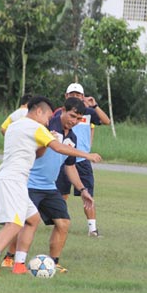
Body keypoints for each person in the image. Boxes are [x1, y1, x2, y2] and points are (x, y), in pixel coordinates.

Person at [0, 96, 102, 278]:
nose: (49, 120)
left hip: (12, 178)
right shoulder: (36, 128)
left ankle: (19, 265)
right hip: (14, 180)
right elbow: (57, 148)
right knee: (14, 224)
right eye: (48, 116)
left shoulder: (16, 125)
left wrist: (46, 141)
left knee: (33, 219)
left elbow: (39, 152)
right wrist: (87, 155)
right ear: (39, 111)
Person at [55, 83, 110, 237]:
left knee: (87, 194)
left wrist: (95, 105)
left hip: (82, 161)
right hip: (63, 158)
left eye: (78, 95)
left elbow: (106, 121)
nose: (75, 97)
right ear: (66, 96)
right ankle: (61, 223)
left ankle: (92, 229)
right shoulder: (61, 112)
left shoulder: (88, 113)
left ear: (83, 96)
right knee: (62, 194)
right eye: (72, 94)